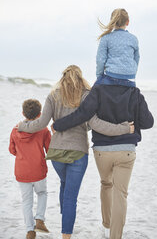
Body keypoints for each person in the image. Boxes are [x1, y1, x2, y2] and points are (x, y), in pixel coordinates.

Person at [17, 65, 134, 239]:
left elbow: (41, 123)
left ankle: (66, 217)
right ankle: (66, 235)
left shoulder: (53, 95)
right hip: (78, 153)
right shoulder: (87, 96)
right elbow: (96, 125)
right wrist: (124, 129)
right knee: (71, 195)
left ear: (63, 78)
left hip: (57, 153)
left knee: (66, 184)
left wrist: (22, 126)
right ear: (80, 78)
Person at [52, 83, 154, 239]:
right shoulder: (135, 92)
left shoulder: (98, 90)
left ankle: (106, 227)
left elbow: (82, 114)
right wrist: (131, 122)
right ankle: (115, 236)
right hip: (126, 150)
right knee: (121, 194)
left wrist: (58, 125)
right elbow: (148, 122)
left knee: (106, 184)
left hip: (102, 151)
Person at [9, 99, 51, 239]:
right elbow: (49, 149)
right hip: (38, 170)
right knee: (42, 193)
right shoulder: (43, 130)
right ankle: (39, 219)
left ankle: (30, 230)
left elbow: (12, 150)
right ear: (40, 115)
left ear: (23, 113)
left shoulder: (15, 130)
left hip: (22, 171)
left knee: (26, 200)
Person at [96, 8, 140, 87]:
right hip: (130, 79)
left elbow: (100, 60)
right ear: (127, 22)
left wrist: (99, 77)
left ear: (112, 21)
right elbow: (136, 58)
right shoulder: (133, 39)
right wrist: (131, 73)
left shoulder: (106, 38)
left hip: (110, 78)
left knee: (92, 96)